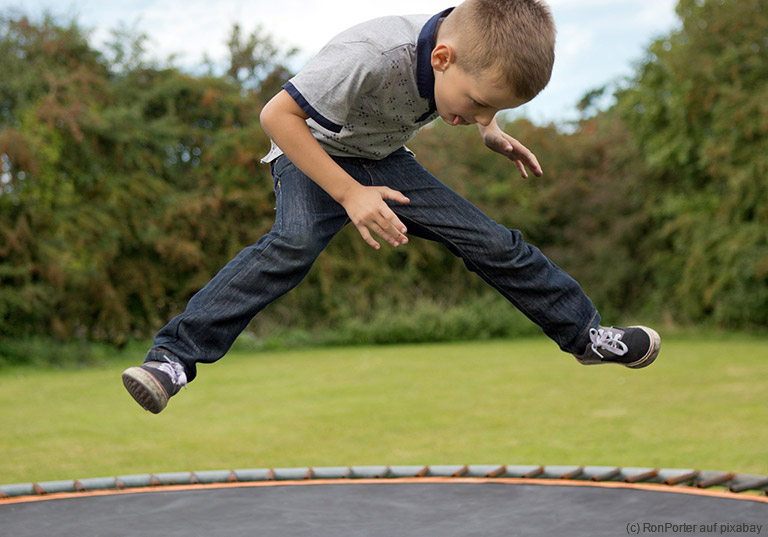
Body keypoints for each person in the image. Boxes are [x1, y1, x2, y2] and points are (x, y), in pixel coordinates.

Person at [122, 0, 660, 414]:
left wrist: (490, 128)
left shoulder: (467, 51)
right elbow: (276, 116)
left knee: (493, 242)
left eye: (492, 108)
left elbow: (479, 83)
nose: (478, 114)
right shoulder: (372, 55)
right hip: (311, 152)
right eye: (477, 105)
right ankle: (174, 359)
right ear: (440, 59)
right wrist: (349, 193)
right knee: (294, 241)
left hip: (385, 158)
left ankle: (585, 336)